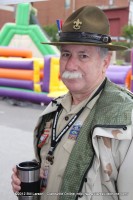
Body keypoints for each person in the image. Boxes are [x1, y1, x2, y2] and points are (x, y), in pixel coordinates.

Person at [11, 5, 133, 200]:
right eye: (66, 54)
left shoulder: (125, 117)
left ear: (105, 62)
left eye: (83, 55)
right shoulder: (54, 109)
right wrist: (28, 185)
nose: (70, 64)